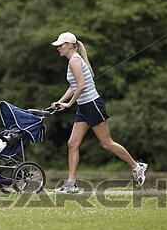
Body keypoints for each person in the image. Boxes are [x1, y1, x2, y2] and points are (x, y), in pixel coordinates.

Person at [50, 32, 147, 193]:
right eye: (58, 45)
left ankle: (137, 166)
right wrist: (60, 101)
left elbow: (81, 86)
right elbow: (73, 86)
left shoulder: (74, 60)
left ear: (70, 45)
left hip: (92, 105)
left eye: (61, 45)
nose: (58, 48)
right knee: (72, 144)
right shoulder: (72, 61)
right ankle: (71, 184)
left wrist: (68, 104)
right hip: (84, 106)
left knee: (106, 143)